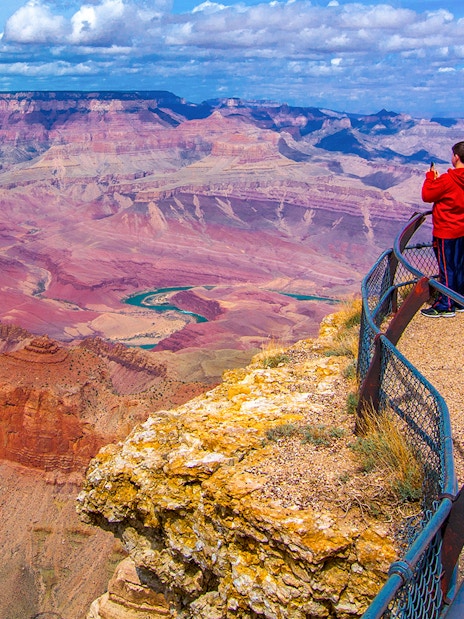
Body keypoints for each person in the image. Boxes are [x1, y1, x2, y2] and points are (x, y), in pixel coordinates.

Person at [420, 141, 464, 317]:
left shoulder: (448, 179)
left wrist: (430, 178)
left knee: (446, 268)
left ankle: (445, 305)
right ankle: (459, 299)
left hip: (446, 231)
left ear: (456, 157)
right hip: (462, 230)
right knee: (460, 266)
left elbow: (427, 195)